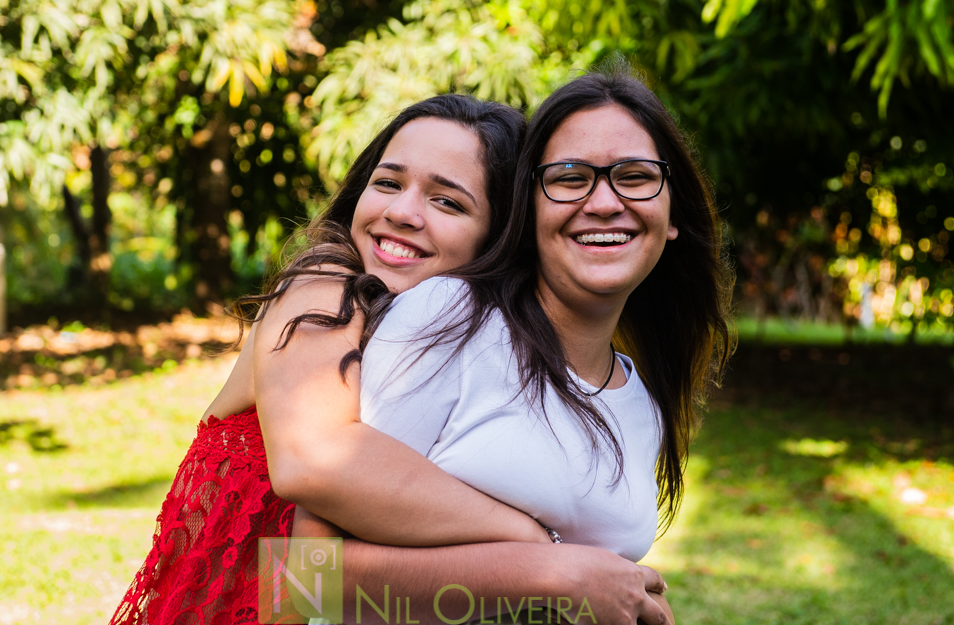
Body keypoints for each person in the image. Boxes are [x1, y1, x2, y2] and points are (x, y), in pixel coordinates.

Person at [111, 95, 668, 625]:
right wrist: (540, 548)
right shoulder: (325, 288)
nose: (402, 212)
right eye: (388, 183)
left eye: (447, 201)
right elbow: (313, 464)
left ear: (501, 235)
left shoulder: (446, 337)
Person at [289, 62, 733, 623]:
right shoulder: (450, 319)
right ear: (528, 211)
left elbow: (597, 590)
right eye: (570, 177)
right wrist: (547, 574)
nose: (603, 202)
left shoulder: (640, 402)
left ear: (672, 215)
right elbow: (303, 578)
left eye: (636, 176)